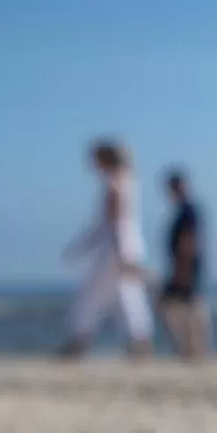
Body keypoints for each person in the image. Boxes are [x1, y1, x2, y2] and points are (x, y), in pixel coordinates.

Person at [59, 138, 154, 359]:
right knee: (127, 297)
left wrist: (82, 248)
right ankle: (139, 343)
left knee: (92, 297)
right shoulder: (129, 180)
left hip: (115, 250)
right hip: (127, 247)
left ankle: (78, 342)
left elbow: (112, 224)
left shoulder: (115, 183)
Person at [156, 168, 212, 360]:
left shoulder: (188, 210)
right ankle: (191, 348)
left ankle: (194, 349)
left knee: (189, 306)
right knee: (185, 306)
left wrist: (183, 269)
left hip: (186, 266)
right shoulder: (184, 210)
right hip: (183, 265)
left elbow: (189, 241)